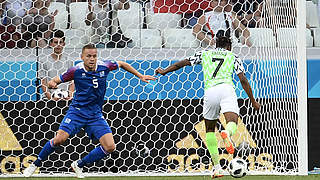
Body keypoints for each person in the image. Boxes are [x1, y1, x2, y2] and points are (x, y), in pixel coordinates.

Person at [23, 44, 156, 178]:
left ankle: (79, 165)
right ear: (82, 57)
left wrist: (140, 75)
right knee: (59, 139)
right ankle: (35, 165)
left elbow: (121, 63)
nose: (92, 59)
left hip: (95, 115)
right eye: (88, 56)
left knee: (110, 147)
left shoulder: (105, 66)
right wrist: (53, 86)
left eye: (94, 56)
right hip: (77, 112)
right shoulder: (75, 70)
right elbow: (54, 81)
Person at [155, 36, 260, 178]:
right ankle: (227, 134)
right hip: (226, 89)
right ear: (229, 46)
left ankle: (217, 168)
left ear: (216, 45)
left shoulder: (204, 54)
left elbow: (183, 63)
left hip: (210, 92)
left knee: (210, 130)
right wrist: (253, 100)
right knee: (232, 121)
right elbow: (243, 79)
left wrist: (165, 71)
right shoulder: (233, 56)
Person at [38, 29, 74, 100]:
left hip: (66, 98)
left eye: (60, 42)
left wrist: (69, 96)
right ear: (51, 44)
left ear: (64, 44)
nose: (58, 45)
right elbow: (43, 83)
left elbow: (72, 82)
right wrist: (51, 98)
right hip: (49, 99)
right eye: (55, 42)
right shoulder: (43, 61)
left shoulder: (69, 61)